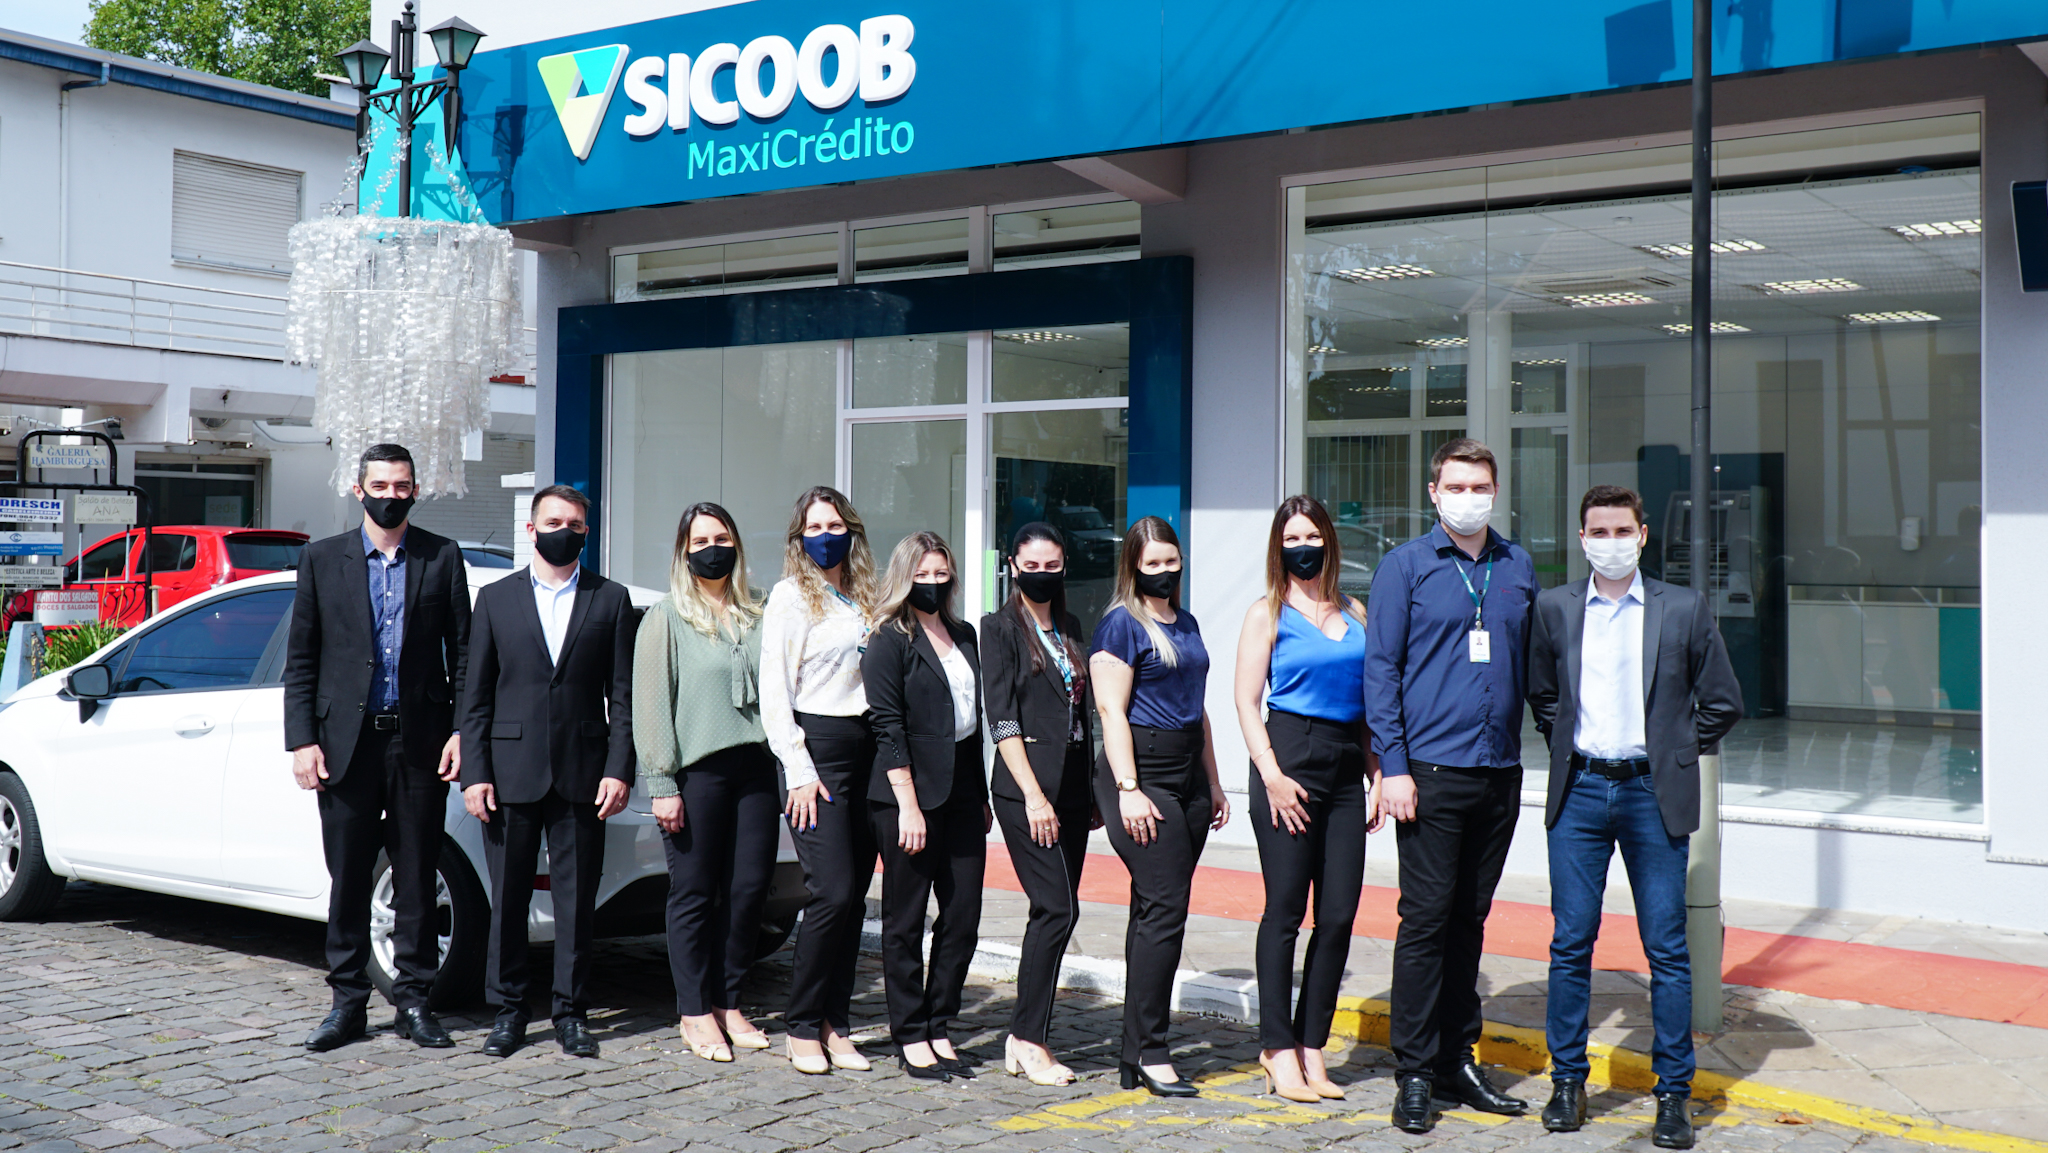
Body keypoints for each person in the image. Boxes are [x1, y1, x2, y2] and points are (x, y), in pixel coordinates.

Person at [1527, 485, 1742, 1149]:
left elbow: (1723, 700)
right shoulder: (1556, 607)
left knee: (1667, 948)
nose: (1611, 541)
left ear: (1643, 535)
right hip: (1581, 791)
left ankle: (1673, 1093)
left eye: (1622, 530)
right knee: (1571, 941)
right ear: (1582, 537)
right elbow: (1542, 694)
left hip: (1653, 793)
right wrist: (1569, 747)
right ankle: (1568, 1081)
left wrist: (1677, 752)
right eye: (1599, 531)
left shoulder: (1682, 607)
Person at [1363, 437, 1540, 1132]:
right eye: (1457, 487)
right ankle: (1413, 1070)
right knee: (1426, 922)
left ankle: (1456, 1060)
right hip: (1429, 774)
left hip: (1498, 773)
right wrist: (1393, 766)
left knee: (1470, 921)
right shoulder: (1404, 567)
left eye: (1481, 487)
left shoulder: (1517, 564)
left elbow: (1536, 666)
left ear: (1496, 491)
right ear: (1434, 493)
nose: (1470, 498)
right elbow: (1381, 671)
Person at [283, 443, 469, 1052]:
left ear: (415, 490)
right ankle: (347, 1004)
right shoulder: (321, 559)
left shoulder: (442, 556)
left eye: (403, 486)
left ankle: (415, 1001)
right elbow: (302, 658)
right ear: (359, 490)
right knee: (349, 877)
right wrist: (302, 740)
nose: (392, 496)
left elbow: (464, 654)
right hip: (345, 745)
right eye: (381, 486)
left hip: (419, 743)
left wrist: (461, 731)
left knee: (416, 875)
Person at [458, 485, 636, 1059]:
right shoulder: (495, 599)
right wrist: (475, 773)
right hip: (508, 772)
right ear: (531, 530)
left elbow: (623, 696)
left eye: (576, 524)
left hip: (584, 773)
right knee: (508, 899)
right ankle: (509, 1011)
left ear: (586, 532)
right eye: (555, 522)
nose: (566, 531)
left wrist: (619, 769)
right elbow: (475, 695)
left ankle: (571, 1012)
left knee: (576, 902)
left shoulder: (610, 599)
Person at [1232, 495, 1382, 1103]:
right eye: (1291, 538)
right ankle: (1276, 1047)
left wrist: (1376, 773)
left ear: (1329, 542)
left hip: (1346, 766)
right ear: (1278, 547)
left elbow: (1368, 704)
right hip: (1288, 761)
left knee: (1339, 914)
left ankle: (1312, 1045)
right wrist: (1270, 774)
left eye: (1312, 536)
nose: (1303, 547)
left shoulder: (1356, 610)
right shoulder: (1266, 612)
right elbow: (1246, 702)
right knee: (1286, 911)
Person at [1089, 515, 1229, 1097]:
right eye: (1153, 563)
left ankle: (1134, 1051)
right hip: (1141, 775)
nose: (1164, 571)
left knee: (1153, 911)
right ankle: (1151, 1051)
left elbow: (1198, 708)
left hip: (1188, 775)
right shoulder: (1120, 625)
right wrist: (1129, 789)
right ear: (1133, 566)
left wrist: (1214, 781)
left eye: (1172, 561)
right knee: (1166, 909)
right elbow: (1110, 711)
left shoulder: (1187, 622)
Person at [634, 502, 779, 1064]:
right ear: (684, 551)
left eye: (721, 538)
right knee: (694, 892)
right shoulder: (666, 617)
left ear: (736, 544)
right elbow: (651, 705)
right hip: (697, 774)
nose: (712, 549)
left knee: (748, 891)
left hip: (756, 768)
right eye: (700, 541)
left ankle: (728, 1001)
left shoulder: (761, 610)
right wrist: (661, 784)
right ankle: (694, 1010)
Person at [862, 531, 990, 1082]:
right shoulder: (888, 639)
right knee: (906, 919)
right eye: (921, 575)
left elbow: (974, 723)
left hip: (961, 791)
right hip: (905, 795)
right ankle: (911, 1033)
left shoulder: (964, 634)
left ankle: (940, 1022)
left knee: (963, 916)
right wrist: (908, 806)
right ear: (903, 578)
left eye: (941, 574)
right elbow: (886, 726)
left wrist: (980, 795)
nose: (932, 583)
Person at [760, 485, 879, 1075]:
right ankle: (802, 1025)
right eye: (814, 528)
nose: (825, 537)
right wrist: (799, 772)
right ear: (799, 538)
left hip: (869, 751)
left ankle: (837, 1023)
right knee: (830, 892)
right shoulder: (790, 597)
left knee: (854, 899)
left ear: (851, 531)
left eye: (834, 526)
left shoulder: (868, 595)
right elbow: (774, 692)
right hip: (818, 753)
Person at [982, 522, 1094, 1086]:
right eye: (1032, 566)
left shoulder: (1070, 626)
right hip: (1027, 789)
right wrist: (1033, 795)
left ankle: (1024, 1034)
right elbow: (1002, 718)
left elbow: (1083, 714)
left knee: (1056, 910)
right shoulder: (998, 628)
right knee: (1056, 909)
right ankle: (1028, 1039)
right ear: (1013, 566)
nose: (1042, 575)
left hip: (1073, 787)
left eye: (1052, 566)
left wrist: (1093, 789)